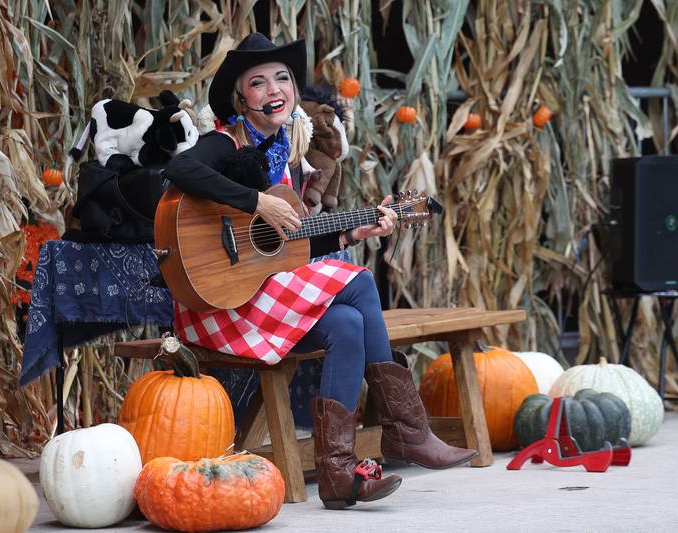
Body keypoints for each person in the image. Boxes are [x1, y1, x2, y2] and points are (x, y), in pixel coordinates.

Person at [163, 32, 477, 510]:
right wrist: (256, 200)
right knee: (363, 282)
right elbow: (181, 170)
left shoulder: (284, 160)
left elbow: (287, 249)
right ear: (240, 97)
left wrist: (352, 234)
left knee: (348, 324)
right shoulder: (225, 143)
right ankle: (407, 431)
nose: (274, 89)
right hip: (218, 305)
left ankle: (338, 473)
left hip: (261, 298)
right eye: (258, 81)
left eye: (283, 79)